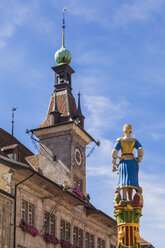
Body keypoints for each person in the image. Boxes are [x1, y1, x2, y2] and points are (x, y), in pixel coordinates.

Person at [112, 124, 144, 201]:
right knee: (131, 181)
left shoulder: (120, 140)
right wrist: (139, 160)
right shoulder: (134, 141)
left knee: (124, 180)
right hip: (133, 162)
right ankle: (130, 198)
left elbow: (115, 151)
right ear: (131, 130)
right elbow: (140, 149)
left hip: (124, 161)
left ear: (124, 130)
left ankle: (124, 198)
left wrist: (114, 163)